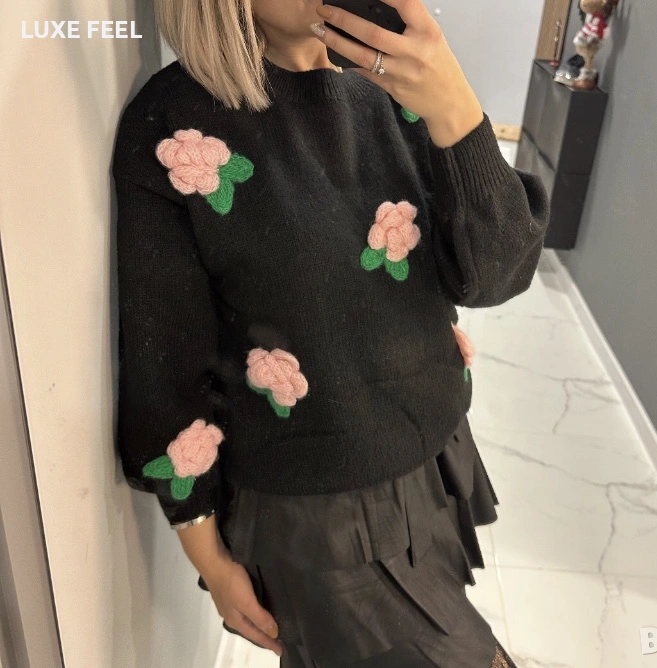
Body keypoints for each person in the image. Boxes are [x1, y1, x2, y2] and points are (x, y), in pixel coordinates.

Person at [112, 0, 549, 665]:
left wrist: (455, 110)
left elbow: (494, 279)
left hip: (433, 456)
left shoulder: (399, 86)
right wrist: (207, 553)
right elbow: (164, 368)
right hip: (314, 512)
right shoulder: (173, 128)